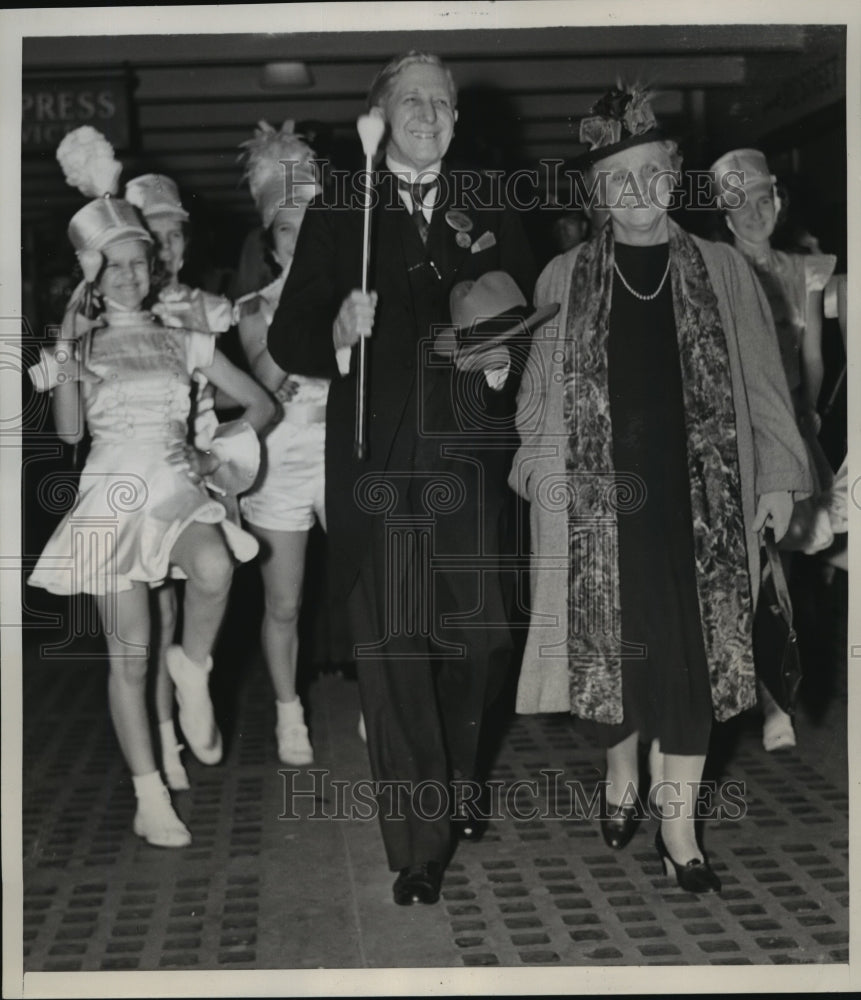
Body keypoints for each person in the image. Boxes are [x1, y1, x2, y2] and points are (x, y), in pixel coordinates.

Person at [510, 86, 811, 894]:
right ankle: (619, 774)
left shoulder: (720, 270)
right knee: (607, 659)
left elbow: (764, 381)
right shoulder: (562, 276)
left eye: (650, 173)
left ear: (673, 179)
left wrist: (779, 479)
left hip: (702, 505)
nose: (637, 192)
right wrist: (534, 461)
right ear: (597, 195)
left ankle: (678, 830)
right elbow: (537, 397)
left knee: (692, 663)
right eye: (617, 179)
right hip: (597, 508)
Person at [267, 51, 537, 905]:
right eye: (412, 100)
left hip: (465, 451)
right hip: (375, 461)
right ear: (380, 115)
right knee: (393, 656)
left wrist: (504, 367)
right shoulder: (341, 208)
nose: (429, 112)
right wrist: (340, 330)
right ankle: (415, 846)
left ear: (457, 120)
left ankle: (458, 771)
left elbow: (528, 312)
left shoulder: (491, 199)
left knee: (486, 639)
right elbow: (288, 335)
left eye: (442, 102)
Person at [28, 135, 276, 848]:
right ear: (92, 273)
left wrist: (211, 453)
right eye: (116, 266)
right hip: (110, 495)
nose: (132, 276)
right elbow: (71, 436)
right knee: (128, 654)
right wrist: (70, 358)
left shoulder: (182, 340)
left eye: (140, 262)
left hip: (174, 485)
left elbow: (259, 405)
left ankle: (193, 669)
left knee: (215, 566)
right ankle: (147, 793)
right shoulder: (75, 348)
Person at [710, 148, 837, 750]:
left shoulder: (802, 270)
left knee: (777, 566)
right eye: (742, 203)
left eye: (764, 200)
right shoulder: (713, 269)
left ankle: (772, 697)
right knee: (739, 566)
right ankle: (743, 689)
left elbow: (811, 358)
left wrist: (804, 412)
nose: (756, 213)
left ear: (777, 204)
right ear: (724, 213)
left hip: (787, 427)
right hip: (733, 433)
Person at [124, 171, 234, 790]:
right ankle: (164, 745)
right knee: (156, 615)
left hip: (196, 468)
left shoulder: (209, 309)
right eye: (152, 239)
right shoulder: (114, 314)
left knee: (207, 582)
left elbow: (224, 393)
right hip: (139, 473)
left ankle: (194, 682)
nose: (164, 252)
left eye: (173, 239)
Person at [233, 121, 325, 765]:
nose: (300, 237)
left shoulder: (353, 295)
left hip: (344, 457)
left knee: (368, 585)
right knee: (284, 601)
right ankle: (288, 711)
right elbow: (262, 383)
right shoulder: (253, 308)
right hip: (282, 463)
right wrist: (300, 312)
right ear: (272, 240)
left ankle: (382, 702)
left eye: (309, 223)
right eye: (287, 227)